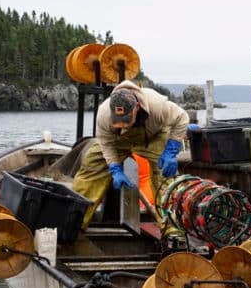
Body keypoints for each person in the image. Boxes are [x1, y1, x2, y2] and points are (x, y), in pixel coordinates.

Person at [72, 80, 189, 235]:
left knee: (164, 177)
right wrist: (114, 168)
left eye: (127, 120)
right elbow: (106, 144)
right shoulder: (103, 113)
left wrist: (171, 151)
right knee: (92, 164)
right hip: (119, 140)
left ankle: (172, 227)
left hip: (153, 137)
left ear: (137, 108)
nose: (124, 124)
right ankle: (74, 222)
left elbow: (182, 118)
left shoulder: (158, 105)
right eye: (119, 121)